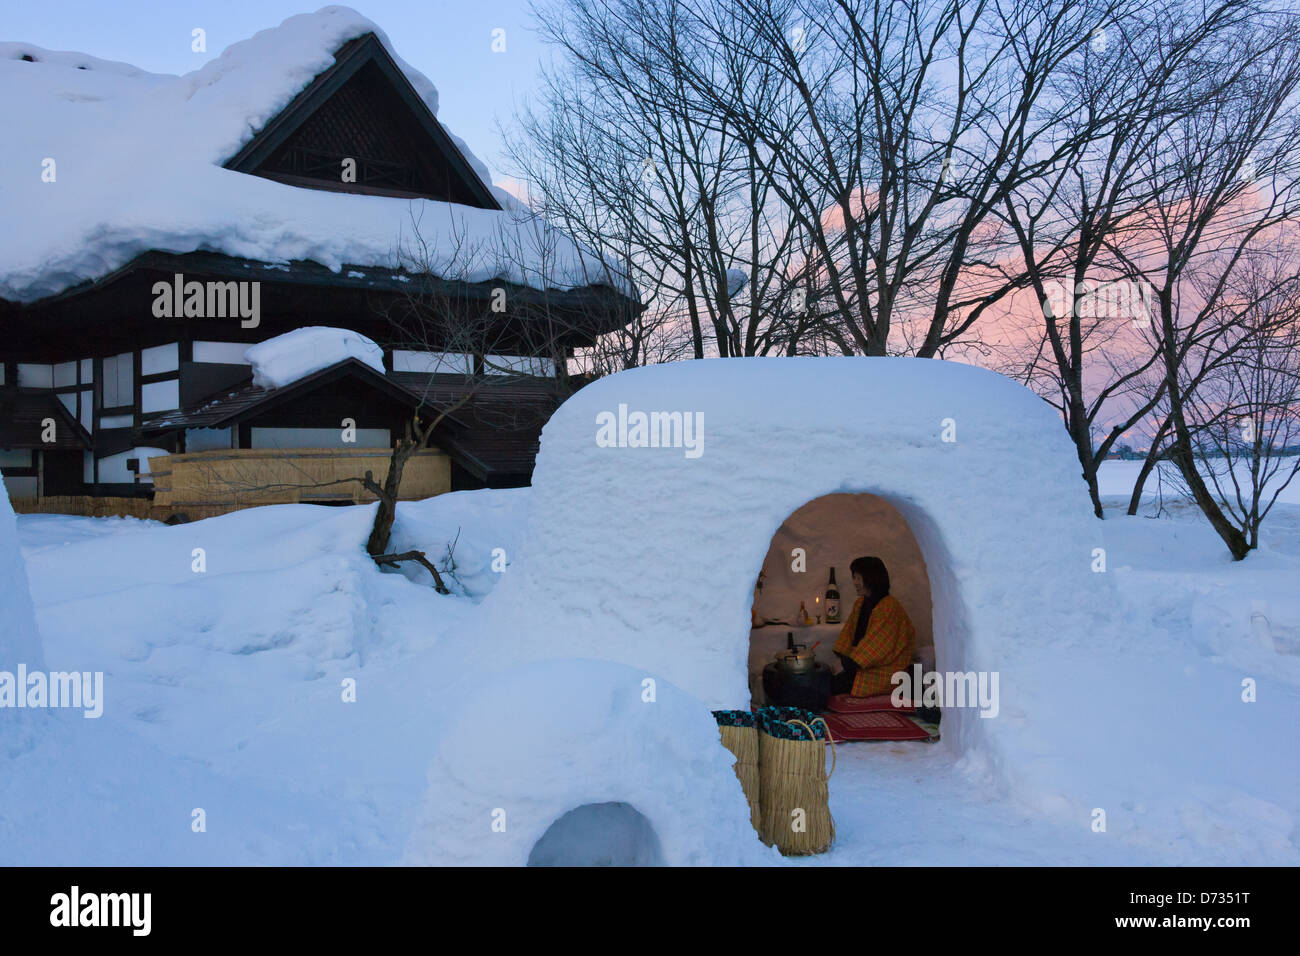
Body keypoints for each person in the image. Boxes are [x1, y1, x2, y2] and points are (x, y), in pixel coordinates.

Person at [831, 556, 915, 697]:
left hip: (887, 669)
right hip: (865, 665)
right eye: (854, 578)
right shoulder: (860, 604)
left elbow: (877, 646)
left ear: (872, 579)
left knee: (833, 684)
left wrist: (846, 664)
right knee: (827, 677)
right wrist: (842, 658)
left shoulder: (889, 607)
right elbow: (849, 634)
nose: (855, 583)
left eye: (858, 578)